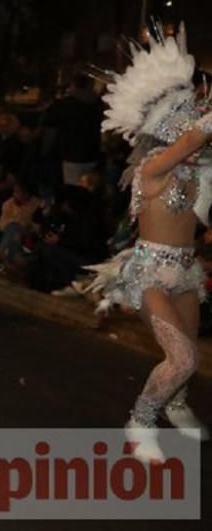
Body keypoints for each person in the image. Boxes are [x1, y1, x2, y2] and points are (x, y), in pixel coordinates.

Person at [86, 26, 210, 463]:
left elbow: (198, 149)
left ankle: (174, 404)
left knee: (188, 360)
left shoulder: (199, 171)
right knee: (182, 359)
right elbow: (194, 139)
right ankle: (140, 421)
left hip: (187, 271)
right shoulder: (153, 167)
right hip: (149, 272)